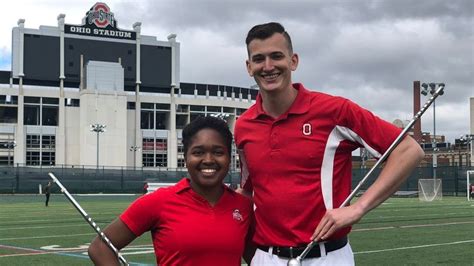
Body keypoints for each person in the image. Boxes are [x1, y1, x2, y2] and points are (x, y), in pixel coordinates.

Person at [234, 22, 425, 265]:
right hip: (266, 257)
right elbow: (248, 190)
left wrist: (359, 208)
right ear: (249, 67)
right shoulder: (244, 125)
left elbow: (409, 150)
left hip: (327, 256)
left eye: (277, 56)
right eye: (259, 59)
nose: (268, 66)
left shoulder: (335, 111)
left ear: (293, 61)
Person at [88, 116, 254, 265]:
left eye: (218, 152)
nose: (208, 160)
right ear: (186, 157)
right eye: (198, 152)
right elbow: (100, 248)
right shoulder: (158, 202)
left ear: (229, 157)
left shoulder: (243, 206)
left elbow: (256, 259)